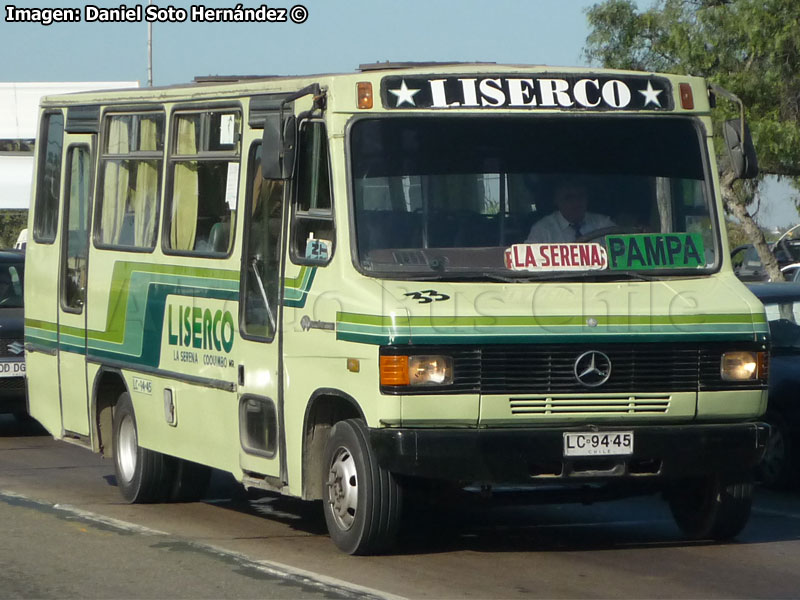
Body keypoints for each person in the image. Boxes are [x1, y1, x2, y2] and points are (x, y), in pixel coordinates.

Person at [526, 180, 614, 243]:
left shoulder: (604, 224)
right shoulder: (542, 230)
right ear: (556, 200)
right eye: (569, 197)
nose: (576, 202)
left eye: (581, 196)